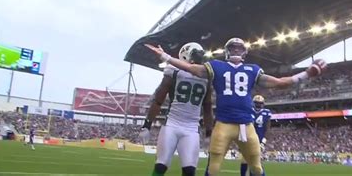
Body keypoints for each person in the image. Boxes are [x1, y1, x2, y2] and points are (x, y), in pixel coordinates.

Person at [145, 37, 327, 176]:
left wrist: (305, 73)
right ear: (226, 51)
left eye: (239, 48)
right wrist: (166, 57)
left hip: (246, 125)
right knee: (213, 166)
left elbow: (279, 82)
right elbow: (193, 69)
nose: (236, 50)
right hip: (223, 123)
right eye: (232, 47)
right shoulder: (216, 66)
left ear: (245, 52)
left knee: (256, 166)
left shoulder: (252, 69)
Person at [139, 42, 213, 176]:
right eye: (196, 56)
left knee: (189, 171)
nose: (200, 60)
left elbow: (207, 107)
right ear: (185, 57)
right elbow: (158, 100)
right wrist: (147, 125)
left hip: (191, 128)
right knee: (161, 165)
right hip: (172, 124)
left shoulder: (206, 76)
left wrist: (209, 134)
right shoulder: (174, 72)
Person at [240, 95, 272, 176]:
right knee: (245, 161)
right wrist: (242, 139)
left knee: (255, 163)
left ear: (263, 104)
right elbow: (242, 125)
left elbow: (268, 129)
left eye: (260, 103)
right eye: (256, 103)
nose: (258, 105)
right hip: (248, 139)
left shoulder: (266, 113)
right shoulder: (248, 111)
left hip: (259, 141)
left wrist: (263, 142)